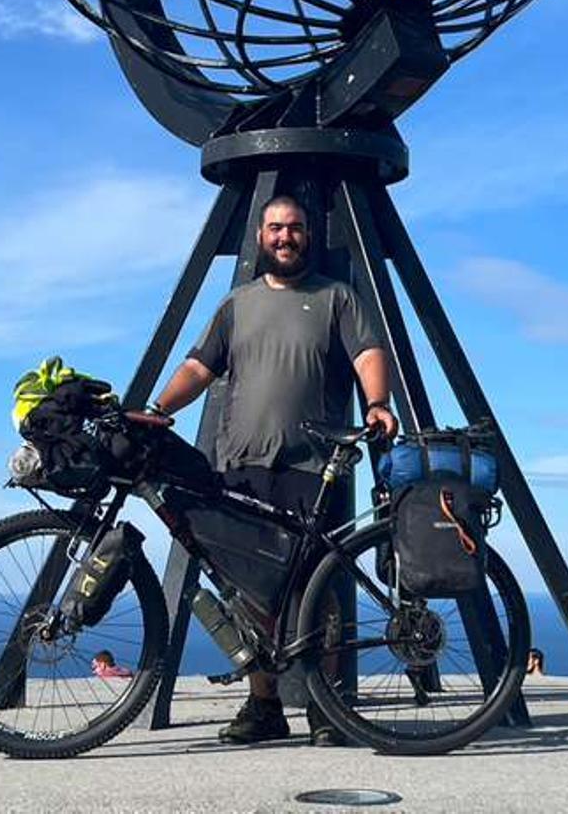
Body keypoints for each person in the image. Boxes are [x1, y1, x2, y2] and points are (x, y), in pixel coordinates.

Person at [151, 192, 398, 747]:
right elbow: (198, 365)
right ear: (261, 237)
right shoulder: (236, 304)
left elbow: (367, 353)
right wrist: (161, 409)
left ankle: (326, 710)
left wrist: (378, 402)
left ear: (308, 236)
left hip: (311, 467)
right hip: (239, 465)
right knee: (245, 590)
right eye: (275, 228)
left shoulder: (336, 297)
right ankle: (264, 704)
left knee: (319, 589)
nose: (284, 237)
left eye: (294, 228)